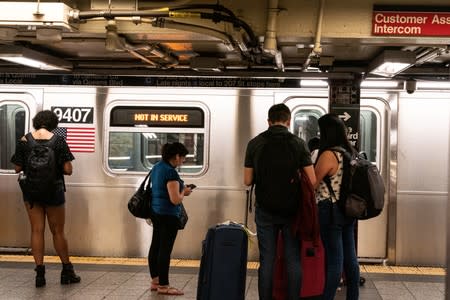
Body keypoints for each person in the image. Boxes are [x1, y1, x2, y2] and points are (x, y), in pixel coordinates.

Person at [244, 103, 316, 300]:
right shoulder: (298, 144)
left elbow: (248, 180)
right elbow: (312, 180)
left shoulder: (255, 143)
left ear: (268, 121)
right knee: (293, 258)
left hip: (265, 209)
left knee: (267, 260)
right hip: (292, 211)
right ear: (288, 120)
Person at [10, 110, 80, 288]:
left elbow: (17, 168)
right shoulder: (58, 140)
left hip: (31, 192)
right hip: (54, 191)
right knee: (57, 231)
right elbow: (68, 169)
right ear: (53, 124)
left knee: (36, 230)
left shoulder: (25, 140)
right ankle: (67, 271)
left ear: (36, 122)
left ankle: (40, 274)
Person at [313, 113, 360, 300]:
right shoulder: (350, 152)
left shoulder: (329, 154)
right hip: (347, 210)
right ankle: (353, 297)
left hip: (329, 211)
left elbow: (313, 183)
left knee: (334, 260)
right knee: (350, 259)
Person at [148, 142, 194, 296]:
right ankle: (164, 285)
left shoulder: (157, 167)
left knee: (155, 246)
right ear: (176, 156)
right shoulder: (171, 173)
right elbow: (175, 199)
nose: (183, 161)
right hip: (168, 215)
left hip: (156, 212)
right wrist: (185, 192)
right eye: (183, 157)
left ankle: (155, 281)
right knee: (164, 250)